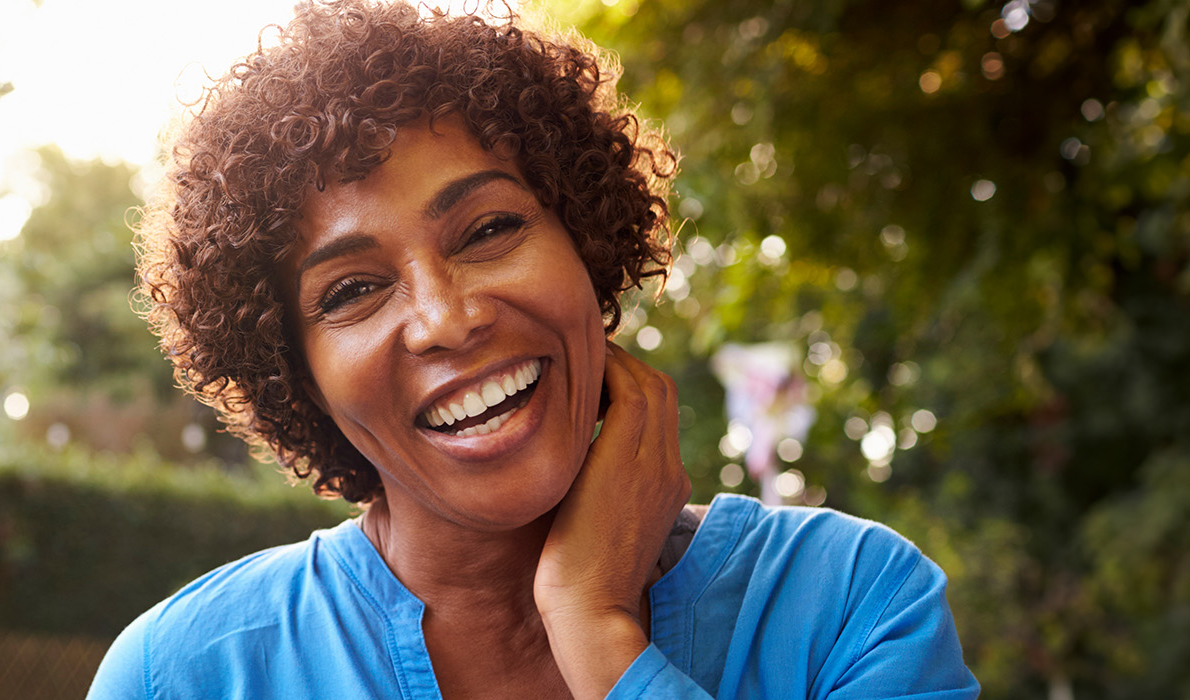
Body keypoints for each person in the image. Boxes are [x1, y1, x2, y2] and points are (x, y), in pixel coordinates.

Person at [89, 1, 981, 697]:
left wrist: (597, 632)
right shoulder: (183, 677)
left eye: (489, 229)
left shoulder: (852, 605)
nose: (446, 318)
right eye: (352, 290)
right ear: (299, 379)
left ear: (587, 246)